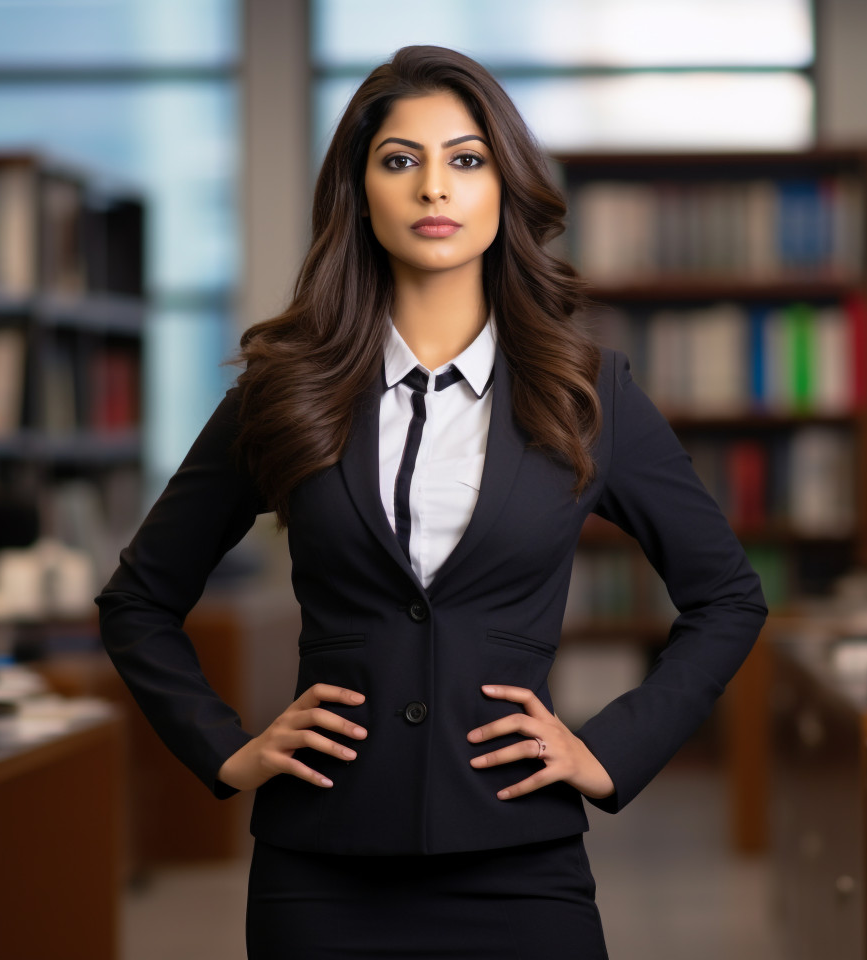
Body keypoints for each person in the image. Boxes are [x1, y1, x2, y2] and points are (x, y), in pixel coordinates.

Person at [96, 45, 767, 960]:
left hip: (521, 860)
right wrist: (225, 748)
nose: (433, 190)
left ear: (504, 187)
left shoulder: (588, 392)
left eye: (466, 158)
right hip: (319, 871)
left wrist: (608, 752)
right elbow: (138, 600)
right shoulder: (282, 391)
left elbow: (728, 596)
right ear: (361, 193)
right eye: (400, 161)